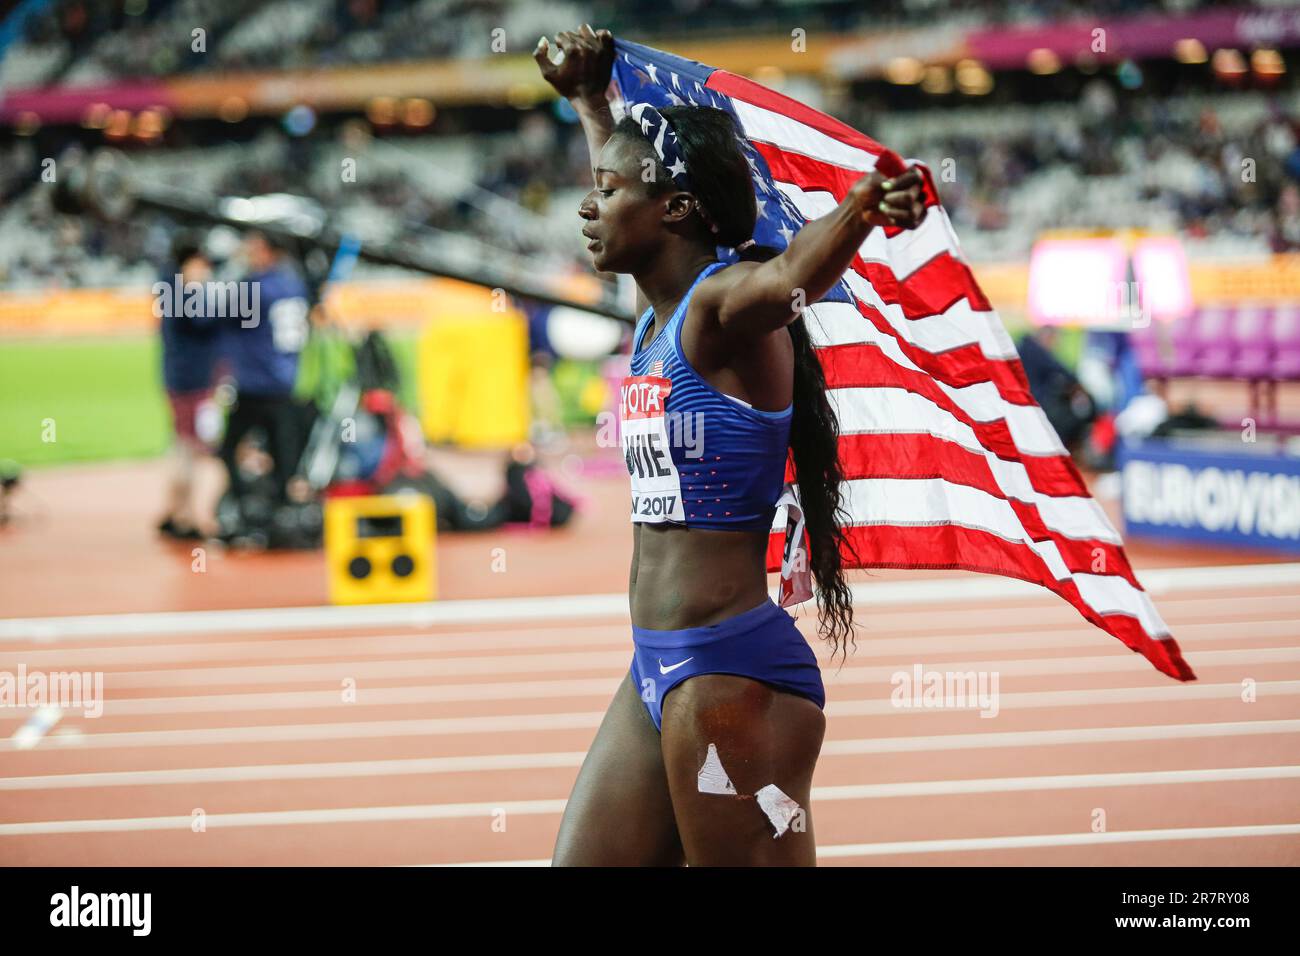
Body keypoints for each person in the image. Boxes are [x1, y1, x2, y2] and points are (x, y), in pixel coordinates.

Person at [535, 26, 927, 866]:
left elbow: (789, 278)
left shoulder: (722, 311)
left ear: (675, 210)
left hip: (731, 673)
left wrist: (861, 204)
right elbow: (629, 168)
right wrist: (588, 99)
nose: (587, 204)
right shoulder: (656, 314)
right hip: (657, 665)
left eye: (606, 191)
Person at [217, 230, 313, 522]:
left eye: (255, 248)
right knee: (283, 453)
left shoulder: (255, 287)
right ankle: (281, 507)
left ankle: (247, 503)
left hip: (256, 384)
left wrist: (230, 269)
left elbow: (217, 313)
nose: (249, 252)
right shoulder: (294, 285)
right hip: (285, 381)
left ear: (270, 252)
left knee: (228, 449)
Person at [157, 236, 221, 540]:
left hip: (180, 379)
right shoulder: (182, 291)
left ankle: (173, 511)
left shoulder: (170, 286)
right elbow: (205, 322)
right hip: (191, 381)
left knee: (183, 445)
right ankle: (187, 517)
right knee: (191, 449)